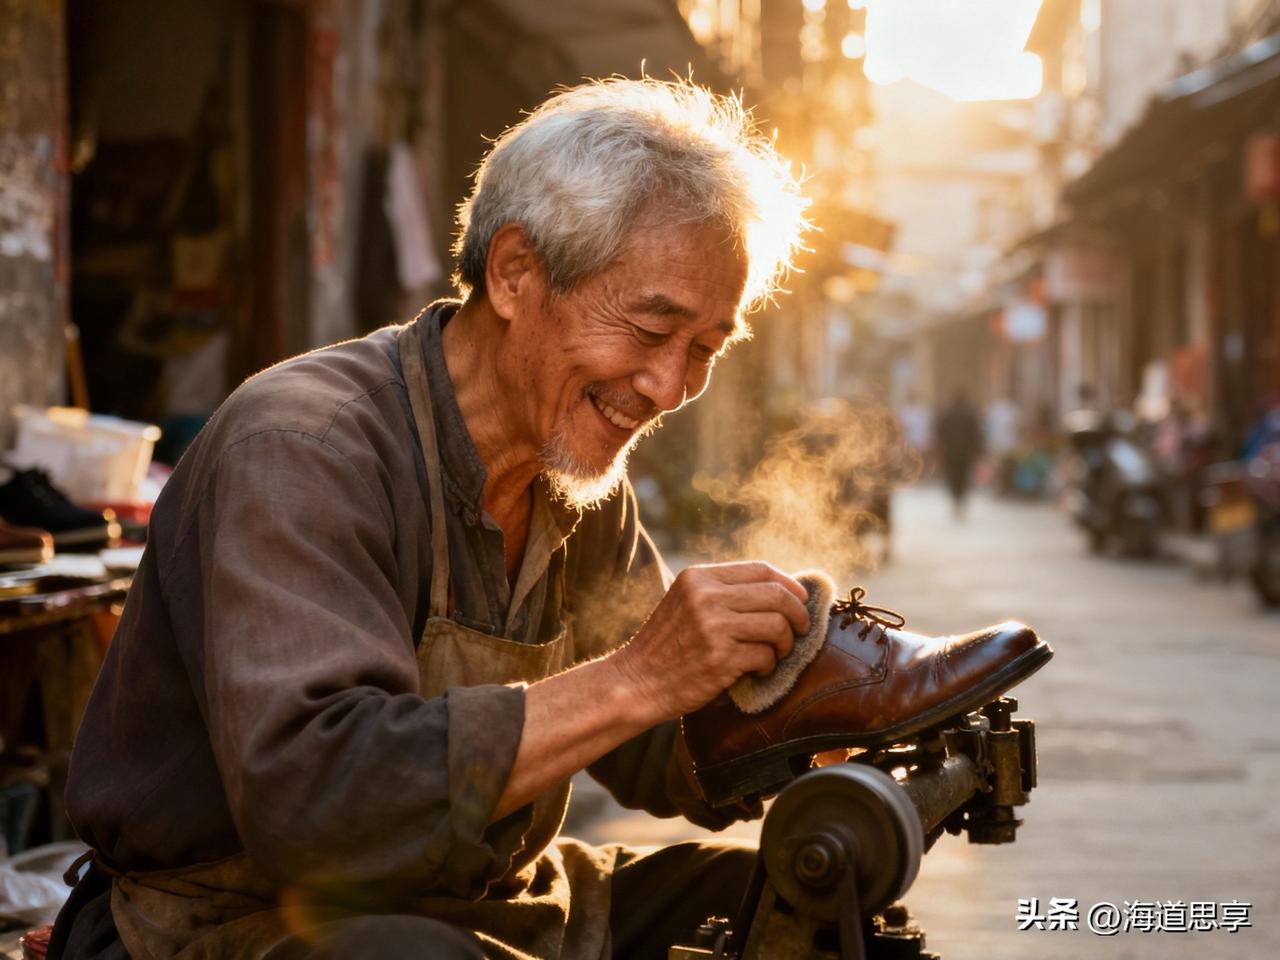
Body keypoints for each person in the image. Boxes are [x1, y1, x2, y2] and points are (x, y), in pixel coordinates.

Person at [51, 80, 1046, 960]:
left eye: (704, 347)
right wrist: (642, 673)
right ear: (515, 274)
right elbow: (315, 804)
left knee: (810, 909)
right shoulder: (305, 446)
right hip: (228, 922)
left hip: (493, 905)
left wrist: (794, 716)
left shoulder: (576, 487)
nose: (667, 385)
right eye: (651, 330)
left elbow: (653, 744)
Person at [936, 390, 984, 519]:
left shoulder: (947, 415)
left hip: (950, 452)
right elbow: (977, 435)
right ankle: (959, 500)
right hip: (966, 453)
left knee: (953, 477)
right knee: (963, 477)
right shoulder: (970, 415)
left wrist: (940, 450)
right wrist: (977, 451)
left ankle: (956, 499)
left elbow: (939, 434)